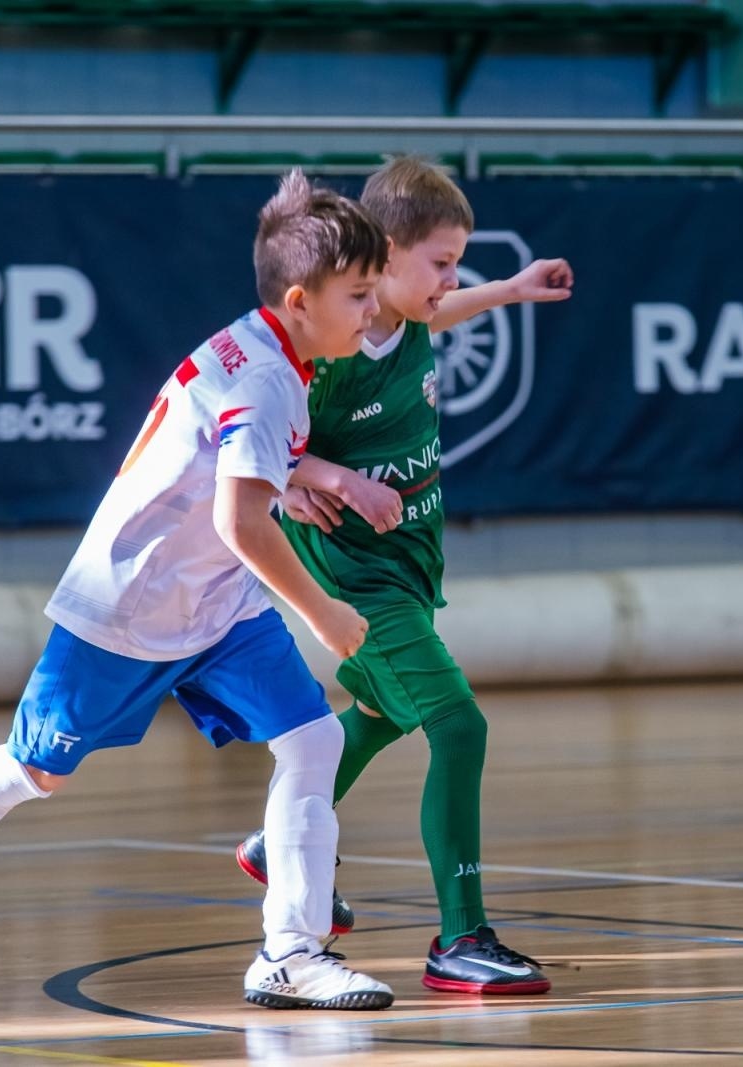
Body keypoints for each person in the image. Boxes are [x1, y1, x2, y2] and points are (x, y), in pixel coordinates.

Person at [0, 171, 399, 1008]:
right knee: (34, 769)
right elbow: (242, 521)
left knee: (312, 740)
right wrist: (323, 613)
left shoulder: (267, 347)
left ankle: (291, 952)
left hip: (216, 604)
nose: (374, 310)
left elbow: (240, 459)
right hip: (131, 604)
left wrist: (320, 476)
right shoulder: (269, 378)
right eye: (360, 294)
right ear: (300, 299)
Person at [231, 156, 574, 993]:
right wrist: (323, 479)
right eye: (442, 262)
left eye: (459, 263)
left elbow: (436, 310)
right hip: (355, 574)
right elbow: (257, 438)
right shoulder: (328, 354)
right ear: (384, 256)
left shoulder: (408, 314)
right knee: (459, 726)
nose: (452, 279)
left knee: (382, 710)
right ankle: (460, 936)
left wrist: (510, 290)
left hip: (409, 556)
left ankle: (279, 842)